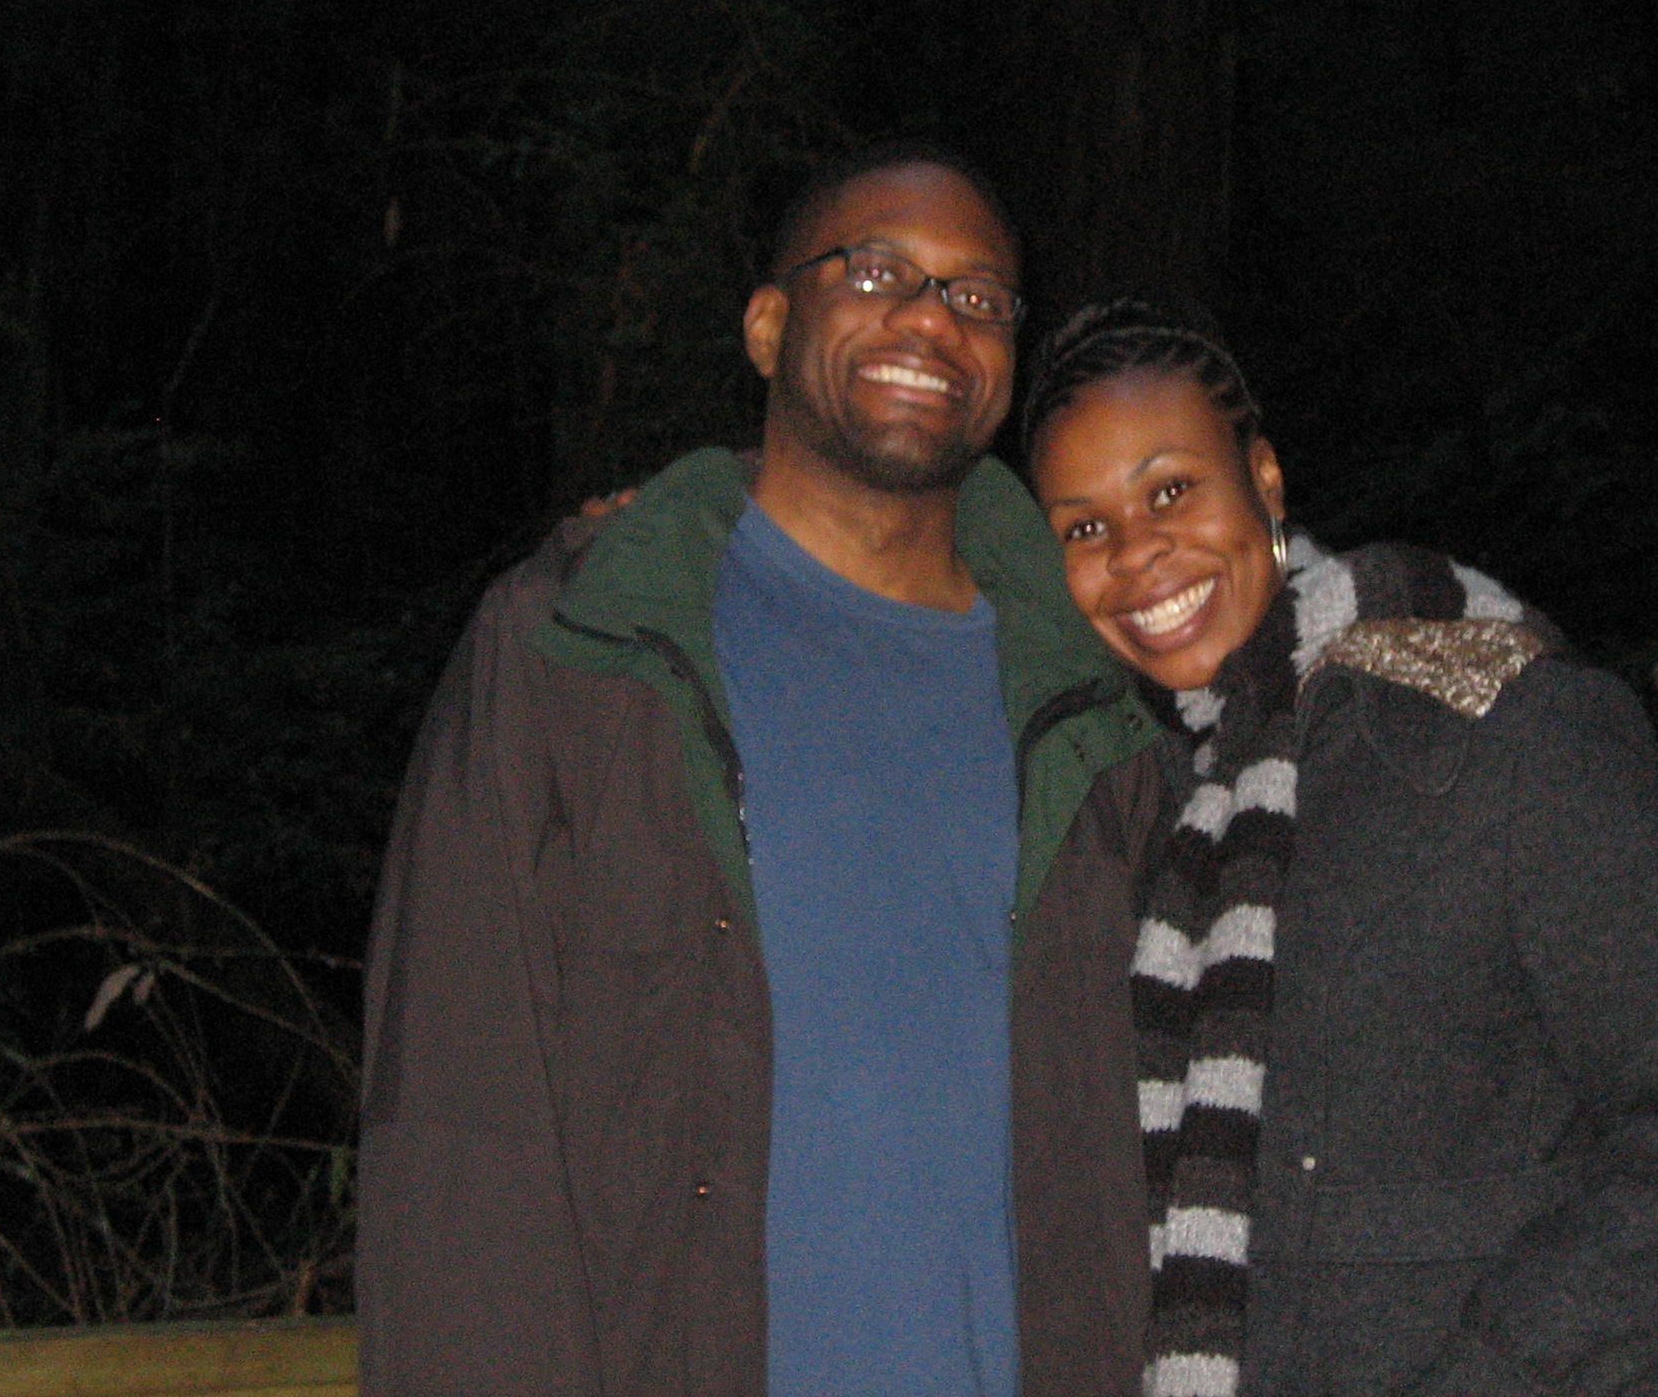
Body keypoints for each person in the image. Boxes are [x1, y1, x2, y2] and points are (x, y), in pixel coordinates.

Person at [356, 150, 1165, 1397]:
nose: (930, 320)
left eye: (978, 297)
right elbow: (460, 1135)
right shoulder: (582, 653)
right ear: (770, 323)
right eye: (880, 270)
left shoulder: (1097, 716)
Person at [1022, 298, 1658, 1397]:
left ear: (1262, 481)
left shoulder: (1490, 725)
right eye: (1084, 528)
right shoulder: (1140, 806)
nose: (1137, 555)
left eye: (1171, 490)